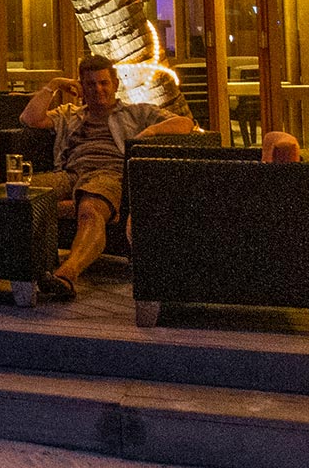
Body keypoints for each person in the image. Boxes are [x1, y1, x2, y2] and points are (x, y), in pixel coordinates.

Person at [20, 53, 196, 300]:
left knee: (90, 208)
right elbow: (30, 118)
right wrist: (56, 84)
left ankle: (67, 274)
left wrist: (151, 132)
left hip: (109, 175)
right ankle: (8, 270)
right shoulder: (70, 114)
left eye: (103, 82)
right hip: (70, 174)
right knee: (16, 191)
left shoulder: (137, 113)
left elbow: (185, 124)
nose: (98, 89)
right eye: (90, 84)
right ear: (81, 87)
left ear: (115, 84)